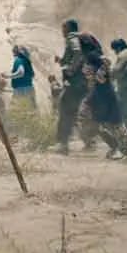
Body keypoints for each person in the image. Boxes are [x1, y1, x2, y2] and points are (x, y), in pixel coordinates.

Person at [80, 35, 127, 159]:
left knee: (111, 122)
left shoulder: (93, 56)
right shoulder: (90, 56)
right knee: (104, 122)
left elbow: (103, 71)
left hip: (102, 93)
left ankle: (123, 147)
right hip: (98, 93)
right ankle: (121, 146)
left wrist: (100, 74)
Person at [55, 19, 88, 153]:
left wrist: (71, 70)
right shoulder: (80, 38)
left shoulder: (72, 37)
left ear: (68, 28)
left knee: (65, 109)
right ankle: (89, 140)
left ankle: (63, 145)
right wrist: (62, 61)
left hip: (75, 82)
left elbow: (78, 53)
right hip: (82, 82)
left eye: (63, 28)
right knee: (76, 112)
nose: (62, 31)